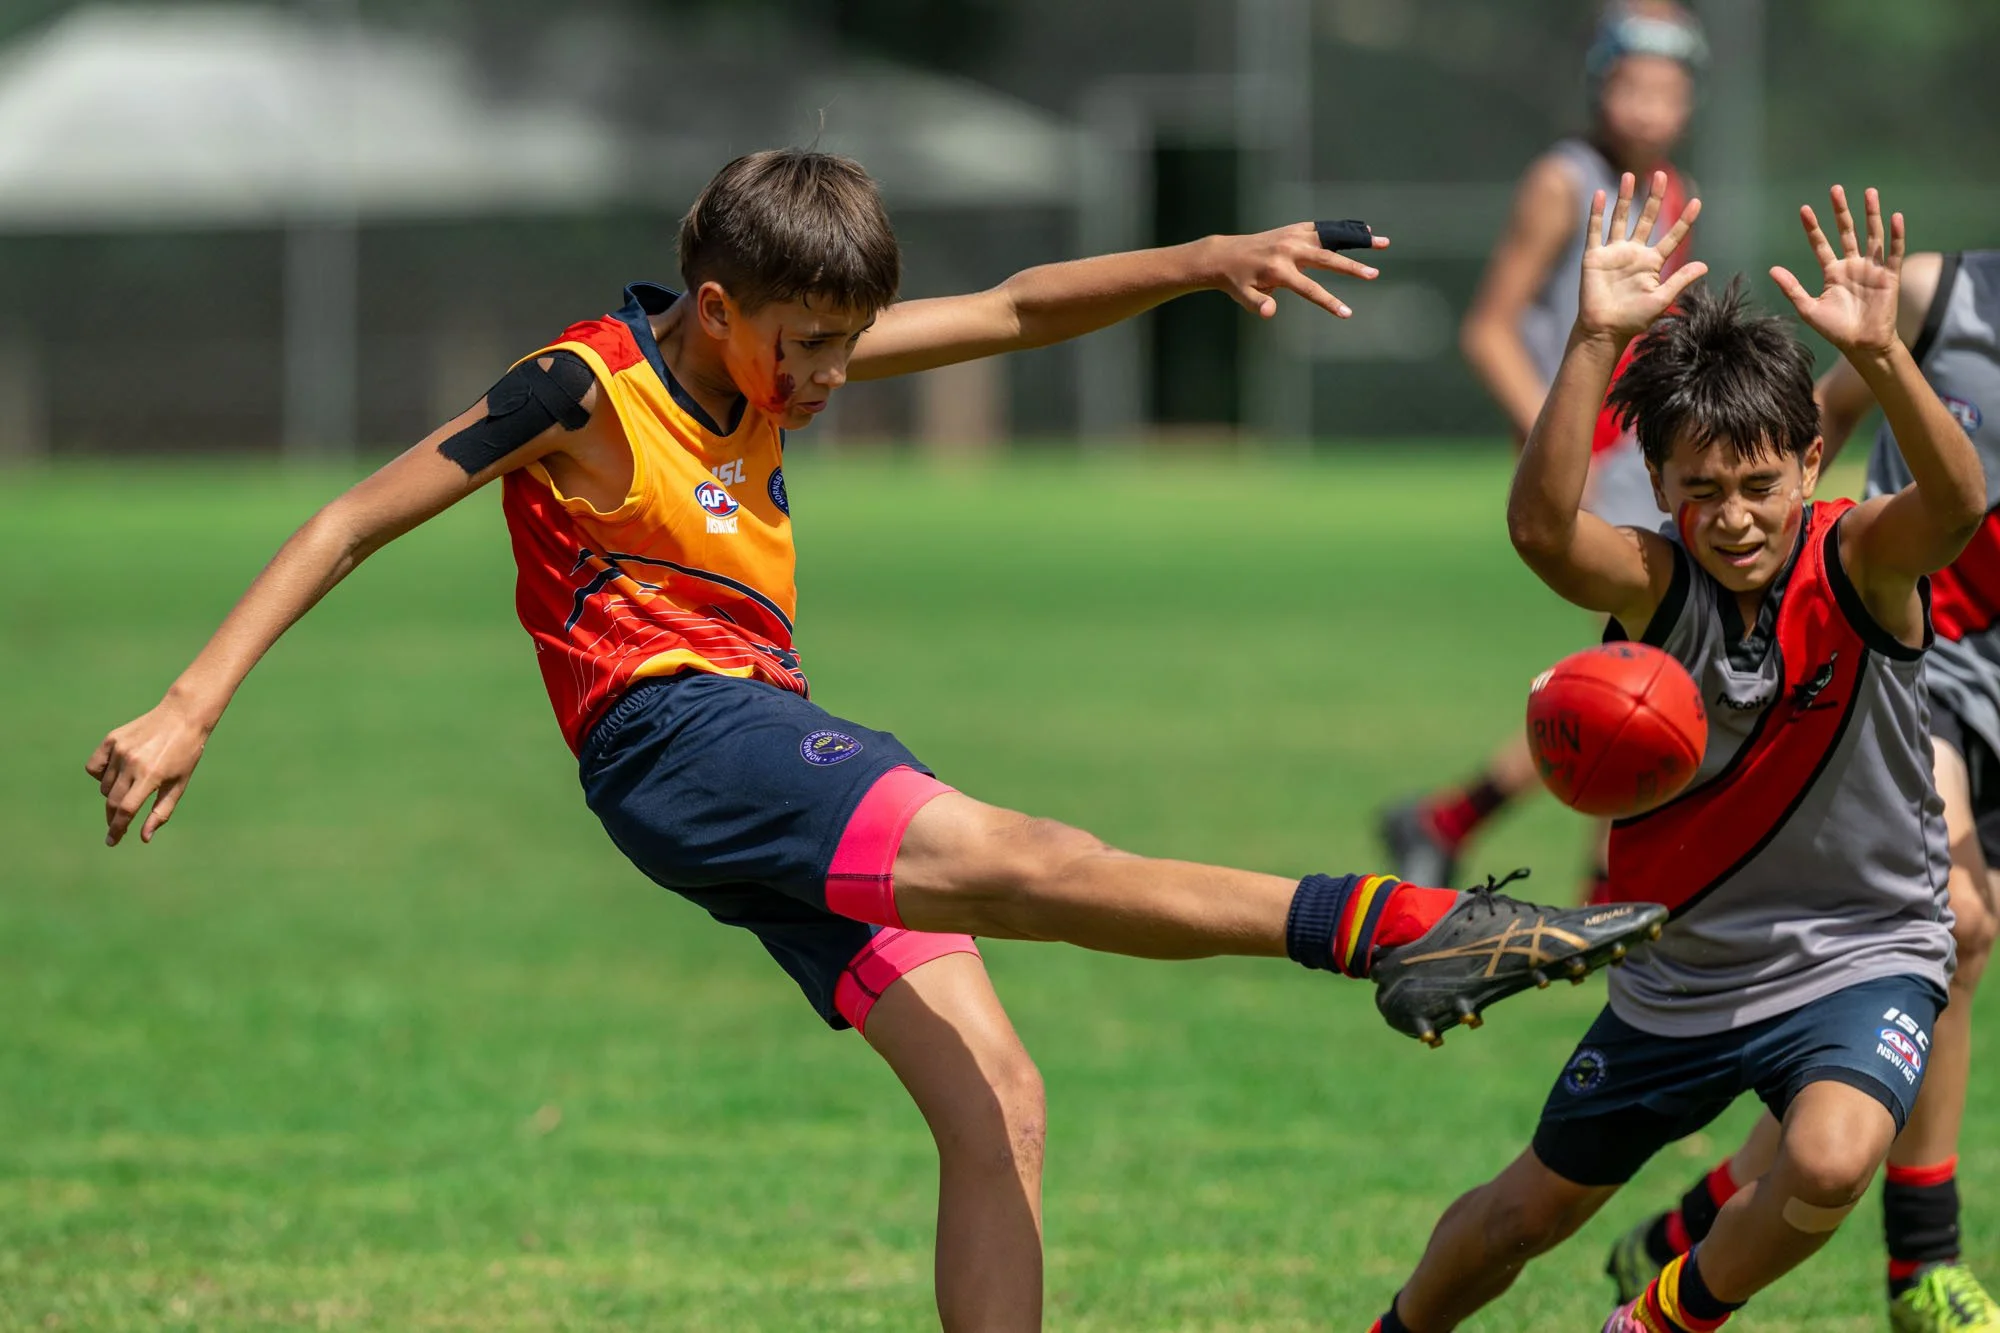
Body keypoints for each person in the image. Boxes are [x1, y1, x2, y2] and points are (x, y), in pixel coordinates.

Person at [84, 149, 1668, 1332]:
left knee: (1000, 1097)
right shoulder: (581, 385)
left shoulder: (782, 362)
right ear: (720, 310)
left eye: (852, 343)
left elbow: (1023, 307)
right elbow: (358, 514)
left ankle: (1397, 936)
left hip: (757, 742)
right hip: (676, 741)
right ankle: (1405, 930)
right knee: (1032, 863)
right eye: (814, 347)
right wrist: (191, 702)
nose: (836, 377)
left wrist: (1209, 255)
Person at [1369, 173, 1982, 1333]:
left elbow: (1953, 504)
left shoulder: (1859, 564)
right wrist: (1594, 334)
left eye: (1760, 485)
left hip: (1863, 947)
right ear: (1657, 487)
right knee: (1520, 1219)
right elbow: (1540, 531)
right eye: (1700, 491)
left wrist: (1886, 356)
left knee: (1831, 1157)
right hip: (1680, 971)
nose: (1735, 515)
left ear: (1810, 465)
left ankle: (1656, 1318)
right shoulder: (1656, 588)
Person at [1602, 248, 2000, 1331]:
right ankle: (1922, 1267)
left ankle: (1702, 1213)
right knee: (1952, 924)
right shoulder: (1940, 295)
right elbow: (1787, 443)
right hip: (1933, 658)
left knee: (1848, 1029)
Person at [1380, 0, 1705, 897]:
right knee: (1661, 667)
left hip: (1653, 459)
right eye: (1630, 84)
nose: (1646, 106)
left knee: (1647, 669)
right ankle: (1608, 887)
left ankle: (1457, 822)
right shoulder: (1564, 180)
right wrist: (1556, 450)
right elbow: (1488, 328)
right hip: (1602, 465)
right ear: (1601, 84)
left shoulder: (1672, 188)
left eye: (1666, 89)